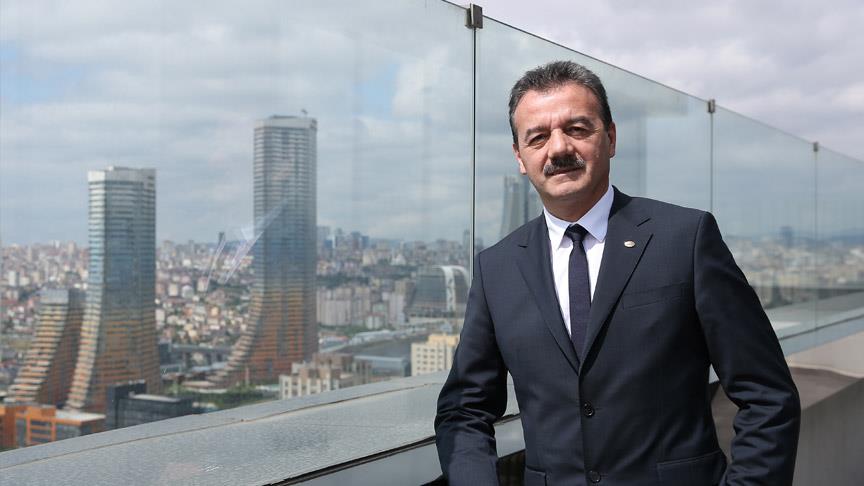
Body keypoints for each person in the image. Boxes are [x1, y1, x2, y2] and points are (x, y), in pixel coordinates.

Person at [435, 60, 800, 486]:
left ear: (610, 137)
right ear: (520, 156)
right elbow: (464, 410)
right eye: (538, 137)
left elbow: (768, 395)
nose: (558, 149)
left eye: (577, 129)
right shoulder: (497, 267)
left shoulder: (685, 239)